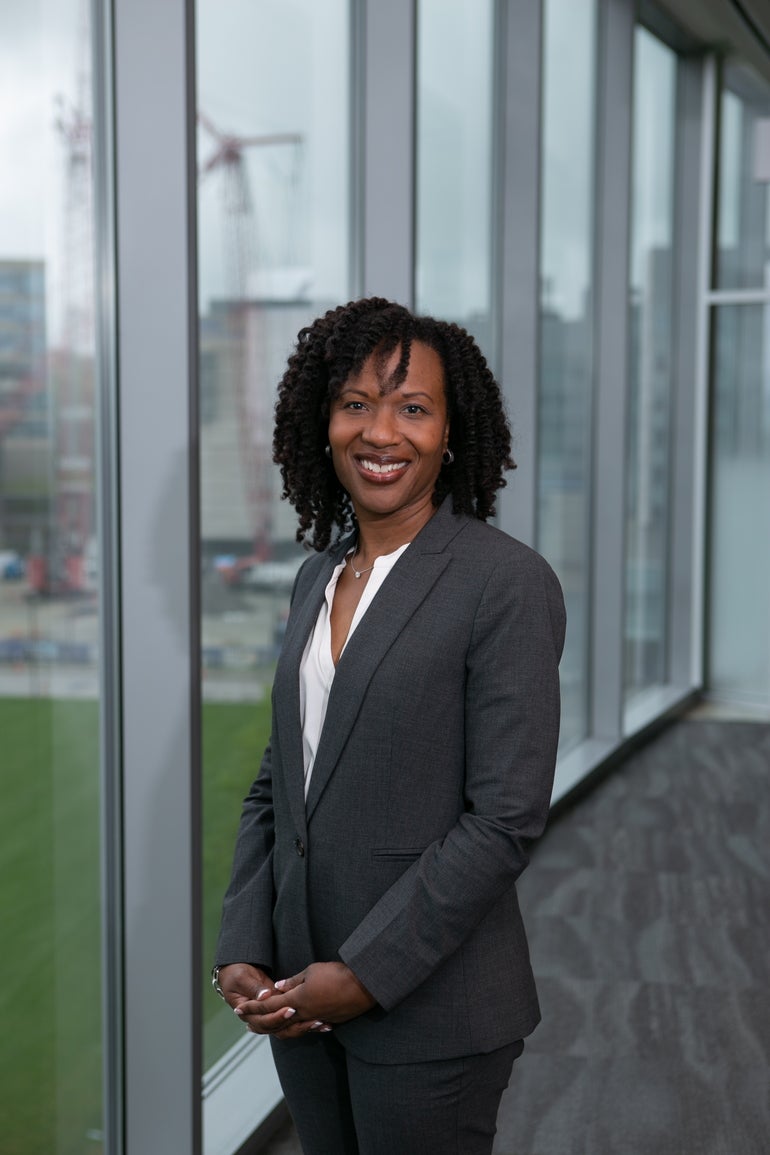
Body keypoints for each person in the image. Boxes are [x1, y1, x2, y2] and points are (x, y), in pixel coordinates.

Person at [213, 297, 566, 1155]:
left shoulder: (503, 584)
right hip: (303, 996)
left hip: (431, 1012)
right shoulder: (316, 578)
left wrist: (364, 975)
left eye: (413, 407)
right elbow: (281, 779)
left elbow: (504, 818)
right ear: (323, 421)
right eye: (357, 404)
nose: (382, 432)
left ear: (450, 432)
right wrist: (243, 941)